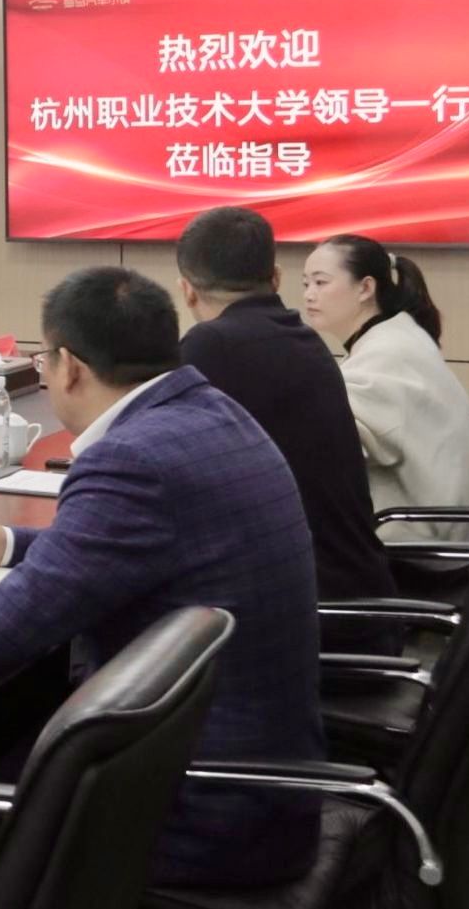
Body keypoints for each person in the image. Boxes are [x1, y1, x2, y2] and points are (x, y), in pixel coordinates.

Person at [0, 267, 323, 889]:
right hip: (262, 783)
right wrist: (10, 544)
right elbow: (150, 548)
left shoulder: (129, 458)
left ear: (69, 366)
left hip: (197, 810)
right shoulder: (214, 412)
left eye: (44, 361)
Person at [174, 208, 396, 646]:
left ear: (187, 290)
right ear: (276, 278)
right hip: (354, 597)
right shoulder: (301, 336)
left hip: (310, 620)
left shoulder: (211, 346)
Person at [301, 235, 469, 542]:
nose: (309, 295)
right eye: (306, 283)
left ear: (365, 288)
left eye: (321, 283)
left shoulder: (388, 355)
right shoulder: (394, 337)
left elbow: (335, 446)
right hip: (424, 527)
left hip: (416, 543)